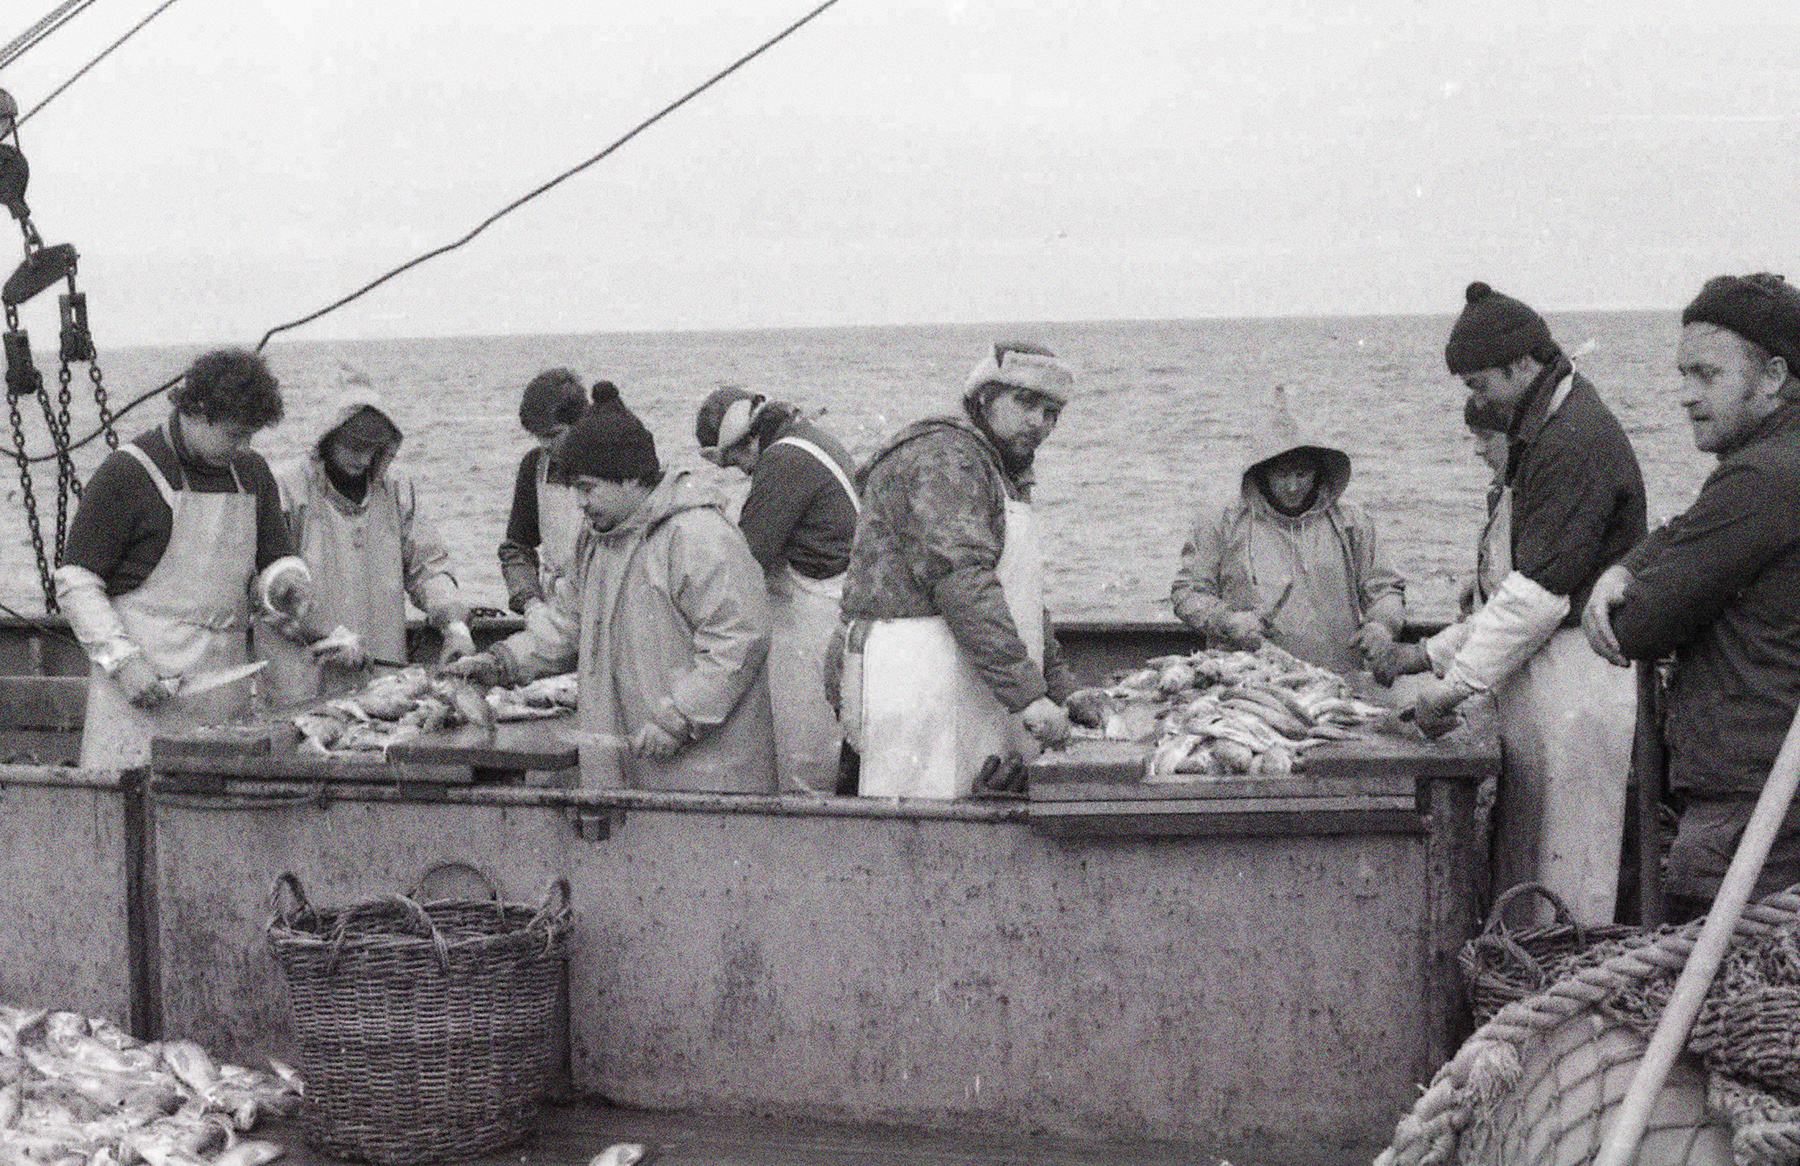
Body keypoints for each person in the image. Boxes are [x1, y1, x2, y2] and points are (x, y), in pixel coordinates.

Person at [1401, 282, 1647, 926]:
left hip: (1582, 683)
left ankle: (1570, 1002)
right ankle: (1525, 993)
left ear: (1520, 367)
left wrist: (1450, 688)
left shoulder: (1574, 440)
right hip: (1544, 680)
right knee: (1530, 867)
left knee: (1573, 870)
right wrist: (1436, 659)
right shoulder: (1545, 428)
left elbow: (1537, 597)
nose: (1475, 402)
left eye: (1480, 385)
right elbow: (1513, 596)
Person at [1583, 273, 1800, 918]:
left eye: (1707, 376)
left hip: (1754, 807)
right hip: (1768, 790)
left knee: (1713, 1005)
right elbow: (1684, 532)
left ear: (1772, 376)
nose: (1685, 396)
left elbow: (1640, 626)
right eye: (1683, 375)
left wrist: (1624, 585)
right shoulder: (1773, 465)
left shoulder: (1762, 478)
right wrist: (1628, 564)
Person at [449, 383, 776, 792]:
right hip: (633, 771)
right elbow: (568, 623)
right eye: (574, 490)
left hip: (707, 777)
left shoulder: (698, 536)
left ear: (630, 479)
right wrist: (502, 662)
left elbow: (739, 640)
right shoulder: (599, 539)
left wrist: (679, 718)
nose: (579, 503)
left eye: (587, 488)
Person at [834, 340, 1099, 799]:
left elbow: (1019, 596)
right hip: (906, 679)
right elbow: (964, 584)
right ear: (984, 397)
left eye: (1053, 412)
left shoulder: (1001, 469)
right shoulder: (945, 458)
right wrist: (1028, 695)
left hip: (962, 677)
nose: (1040, 423)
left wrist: (1059, 685)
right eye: (1026, 402)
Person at [53, 349, 314, 766]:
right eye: (233, 434)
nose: (243, 446)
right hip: (141, 693)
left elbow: (276, 556)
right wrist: (121, 663)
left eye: (250, 436)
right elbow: (76, 580)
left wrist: (283, 584)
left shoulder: (252, 473)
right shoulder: (128, 473)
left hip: (223, 690)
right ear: (194, 411)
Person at [251, 378, 476, 707]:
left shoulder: (397, 492)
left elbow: (429, 567)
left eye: (373, 448)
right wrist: (325, 636)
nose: (363, 457)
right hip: (300, 681)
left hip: (381, 677)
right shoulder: (287, 489)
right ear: (327, 439)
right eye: (353, 446)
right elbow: (268, 590)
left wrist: (455, 625)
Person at [1169, 385, 1405, 675]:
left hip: (1338, 680)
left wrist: (1382, 625)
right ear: (1261, 472)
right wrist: (1226, 620)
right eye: (1281, 474)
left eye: (1302, 474)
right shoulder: (1221, 522)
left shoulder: (1352, 521)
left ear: (1319, 472)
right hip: (1247, 683)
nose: (1293, 486)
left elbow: (1385, 588)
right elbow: (1186, 593)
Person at [695, 388, 860, 794]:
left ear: (746, 440)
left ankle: (809, 820)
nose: (740, 471)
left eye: (735, 461)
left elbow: (749, 557)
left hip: (817, 610)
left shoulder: (782, 460)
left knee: (807, 745)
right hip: (841, 598)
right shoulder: (807, 437)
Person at [499, 368, 590, 630]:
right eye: (537, 436)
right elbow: (517, 548)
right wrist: (530, 602)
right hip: (553, 618)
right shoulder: (534, 467)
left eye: (552, 435)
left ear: (581, 423)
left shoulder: (610, 467)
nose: (544, 445)